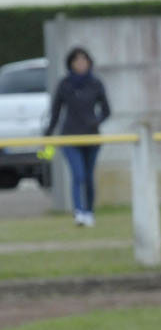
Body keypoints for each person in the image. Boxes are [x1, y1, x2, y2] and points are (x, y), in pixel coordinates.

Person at [45, 45, 110, 226]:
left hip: (91, 136)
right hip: (70, 137)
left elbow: (107, 111)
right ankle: (79, 212)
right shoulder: (65, 84)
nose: (81, 63)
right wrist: (48, 133)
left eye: (84, 60)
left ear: (89, 62)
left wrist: (95, 121)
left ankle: (89, 212)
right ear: (71, 63)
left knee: (89, 177)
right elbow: (56, 112)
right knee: (78, 175)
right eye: (77, 60)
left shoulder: (95, 83)